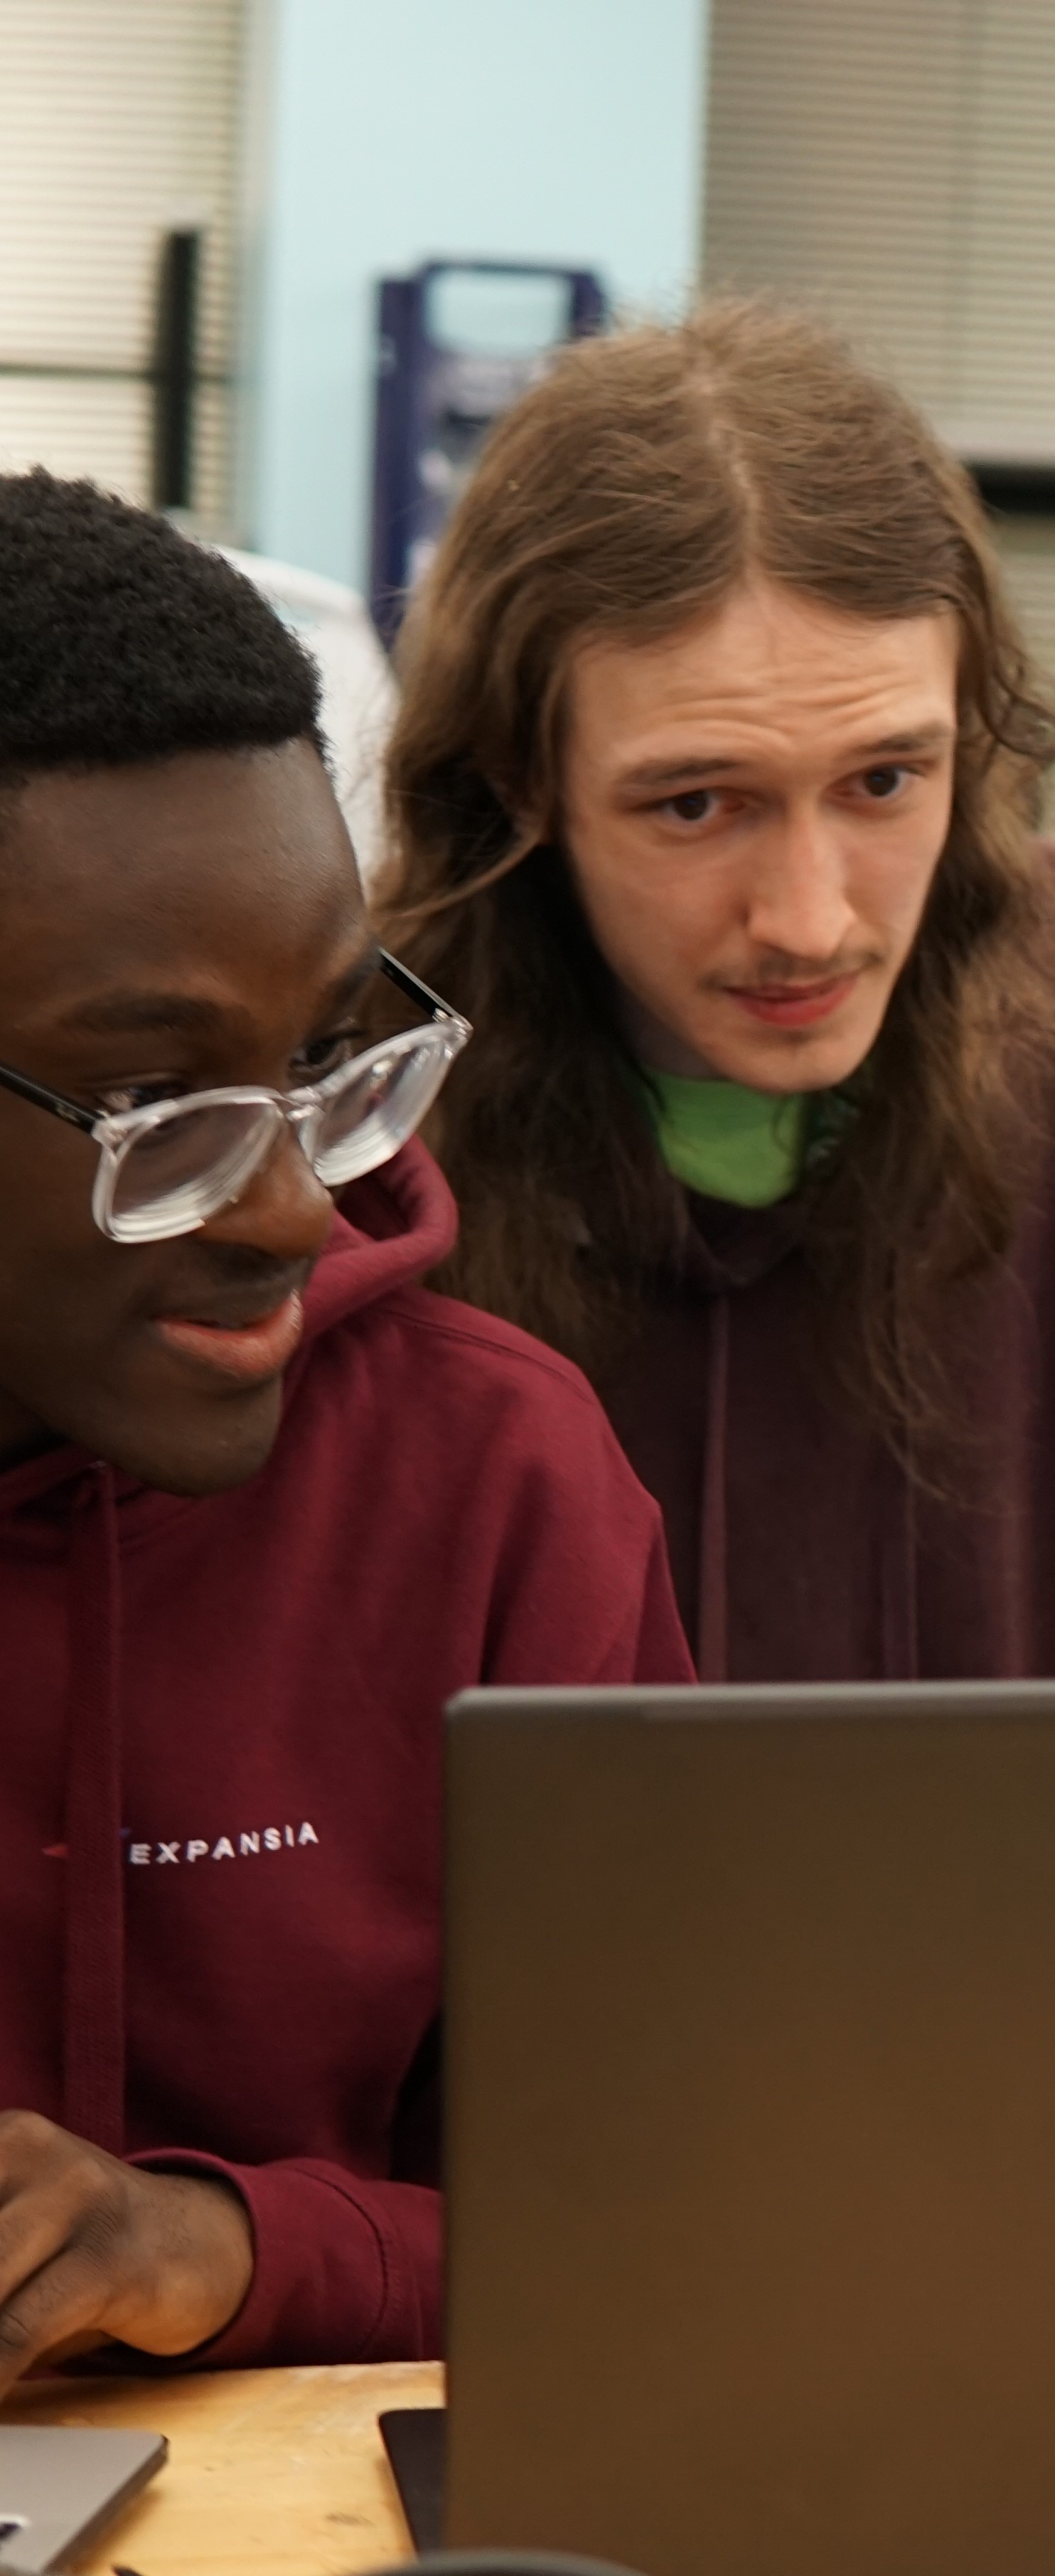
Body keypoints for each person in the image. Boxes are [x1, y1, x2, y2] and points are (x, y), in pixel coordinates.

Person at [0, 471, 691, 2390]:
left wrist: (222, 2246)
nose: (301, 1208)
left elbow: (679, 2212)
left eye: (320, 1059)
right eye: (152, 1105)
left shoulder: (498, 1488)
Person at [378, 301, 1055, 1682]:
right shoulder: (357, 1093)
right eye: (697, 804)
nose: (811, 921)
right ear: (521, 779)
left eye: (885, 781)